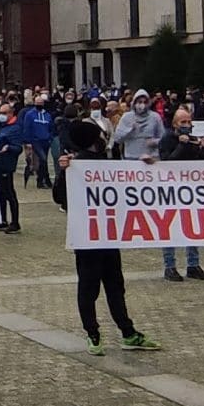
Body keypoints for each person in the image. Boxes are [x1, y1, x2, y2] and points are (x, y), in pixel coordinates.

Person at [53, 127, 150, 353]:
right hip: (96, 235)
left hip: (99, 234)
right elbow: (62, 197)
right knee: (107, 287)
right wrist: (65, 172)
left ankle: (107, 332)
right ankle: (112, 332)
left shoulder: (103, 162)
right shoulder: (80, 165)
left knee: (97, 287)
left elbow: (60, 198)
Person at [156, 108, 204, 281]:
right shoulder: (167, 139)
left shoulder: (194, 139)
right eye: (183, 122)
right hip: (171, 189)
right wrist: (181, 144)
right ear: (175, 124)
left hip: (191, 188)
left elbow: (203, 164)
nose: (187, 125)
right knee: (170, 227)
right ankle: (170, 267)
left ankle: (193, 265)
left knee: (193, 225)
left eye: (189, 122)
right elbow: (167, 163)